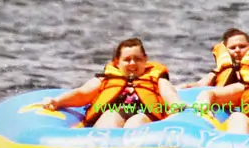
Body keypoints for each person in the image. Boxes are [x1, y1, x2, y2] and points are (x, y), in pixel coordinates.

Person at [43, 37, 184, 128]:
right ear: (117, 62)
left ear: (145, 59)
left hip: (144, 114)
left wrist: (177, 106)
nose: (132, 63)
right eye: (127, 60)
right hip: (113, 112)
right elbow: (83, 93)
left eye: (137, 59)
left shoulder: (157, 78)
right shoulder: (106, 78)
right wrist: (57, 101)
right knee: (110, 117)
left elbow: (169, 93)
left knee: (137, 122)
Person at [180, 28, 249, 88]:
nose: (237, 50)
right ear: (226, 50)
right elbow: (200, 84)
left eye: (242, 46)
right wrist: (185, 86)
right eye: (232, 48)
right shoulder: (219, 71)